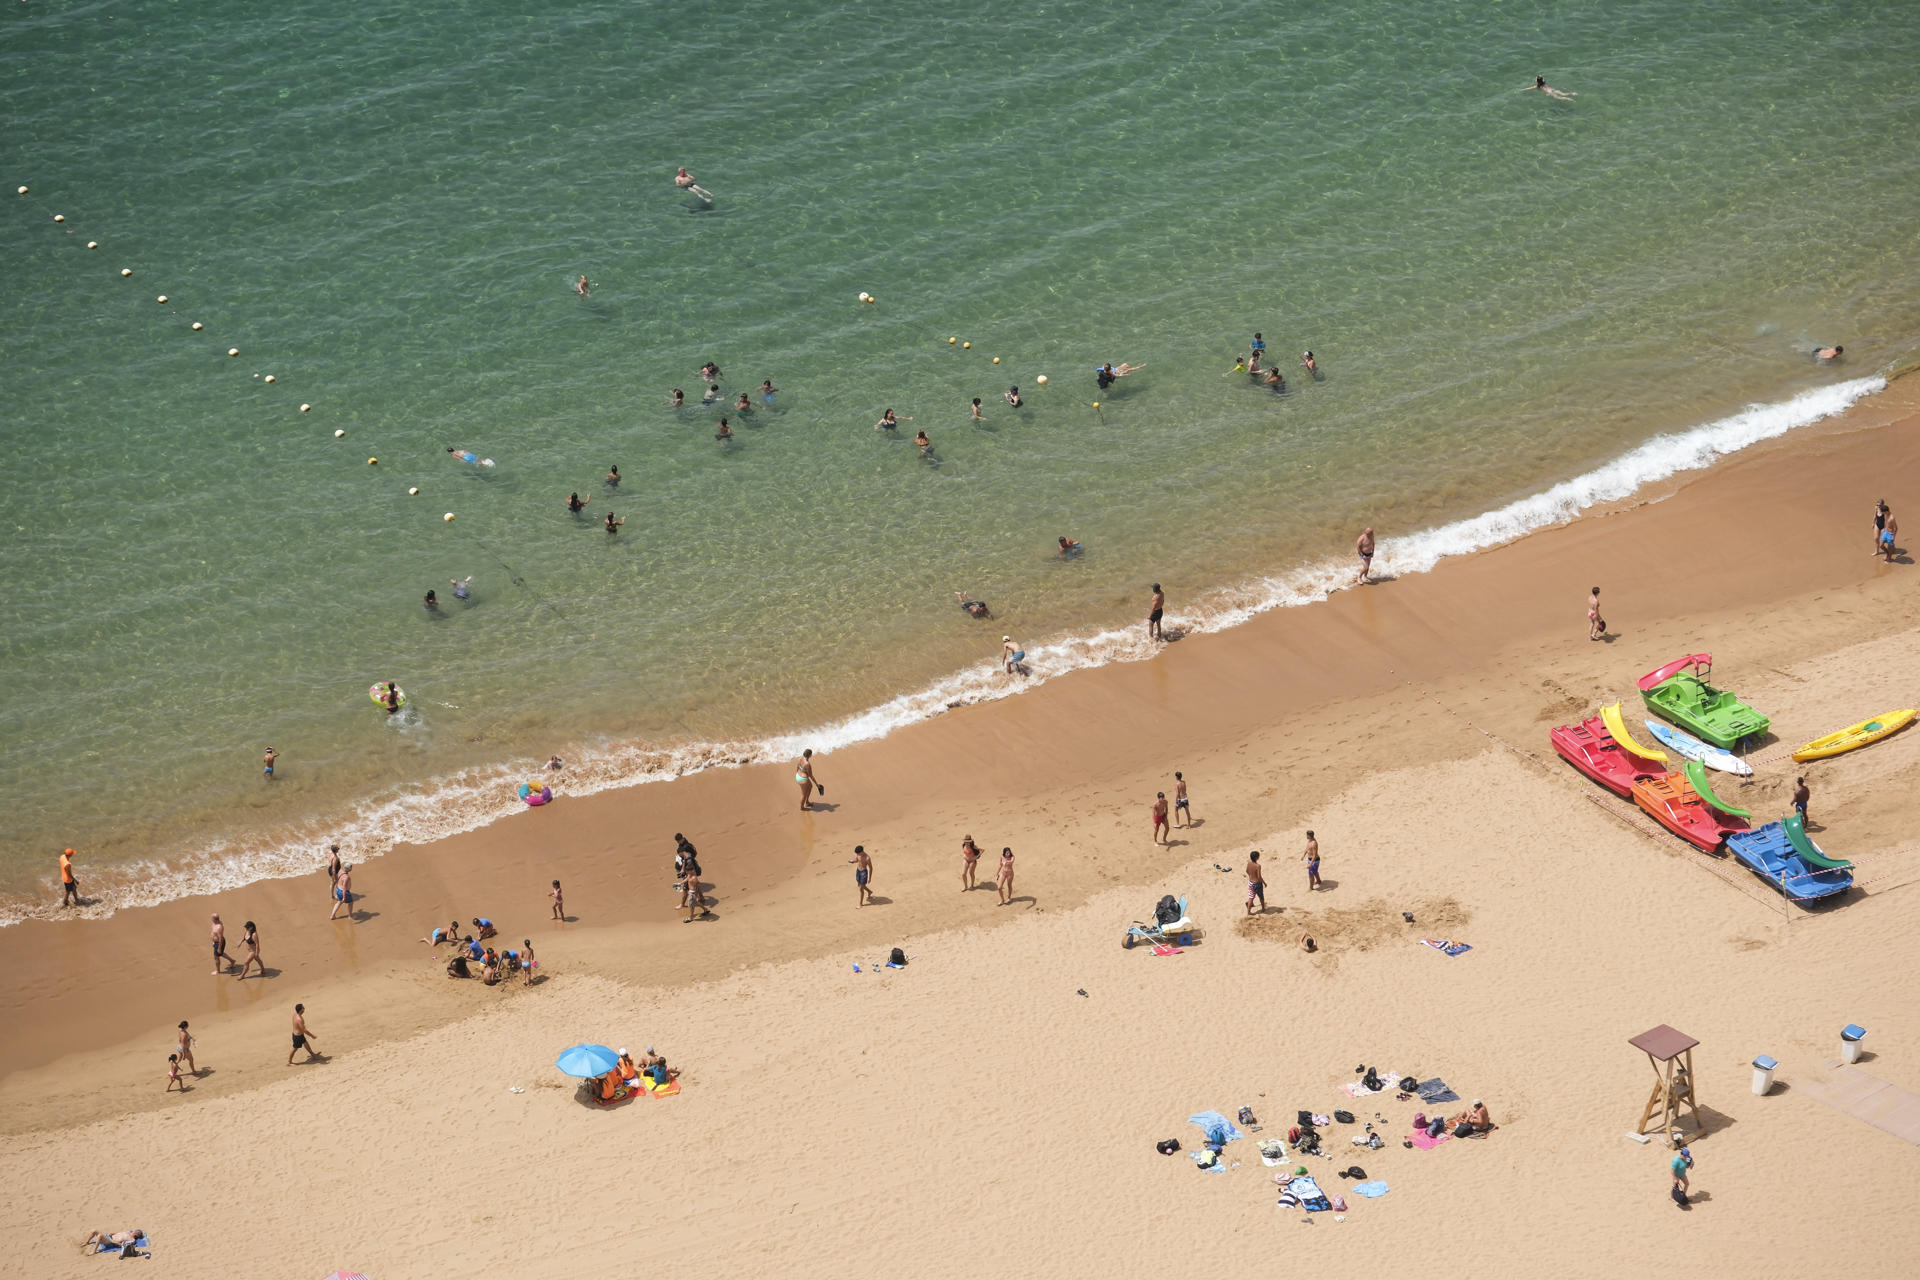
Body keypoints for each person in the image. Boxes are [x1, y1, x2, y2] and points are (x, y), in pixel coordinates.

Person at [1245, 850, 1266, 915]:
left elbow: (1247, 871)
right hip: (1257, 884)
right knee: (1261, 897)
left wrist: (1251, 876)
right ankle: (1263, 908)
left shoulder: (1249, 863)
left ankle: (1248, 912)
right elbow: (1259, 877)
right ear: (1257, 858)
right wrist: (1264, 883)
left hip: (1250, 882)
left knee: (1251, 897)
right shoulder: (1258, 866)